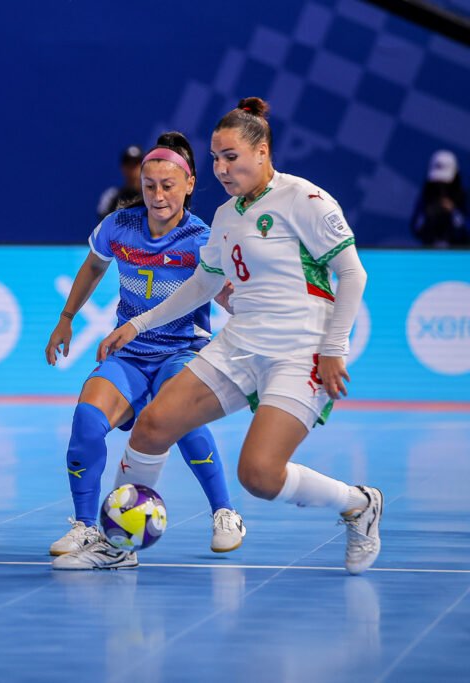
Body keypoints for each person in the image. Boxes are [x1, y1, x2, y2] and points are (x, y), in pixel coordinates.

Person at [98, 97, 382, 576]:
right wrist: (138, 323)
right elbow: (205, 284)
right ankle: (119, 542)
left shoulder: (305, 200)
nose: (222, 168)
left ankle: (358, 503)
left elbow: (353, 275)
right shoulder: (227, 215)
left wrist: (333, 350)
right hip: (240, 344)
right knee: (152, 426)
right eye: (215, 158)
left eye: (231, 156)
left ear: (263, 151)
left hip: (300, 351)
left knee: (259, 475)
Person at [46, 132, 245, 570]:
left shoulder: (204, 240)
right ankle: (86, 527)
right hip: (130, 355)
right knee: (85, 420)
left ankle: (224, 512)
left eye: (168, 186)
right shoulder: (119, 226)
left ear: (189, 184)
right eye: (150, 185)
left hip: (182, 351)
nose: (157, 195)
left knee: (182, 419)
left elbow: (228, 294)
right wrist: (66, 318)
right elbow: (94, 265)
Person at [411, 149, 467, 247]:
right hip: (430, 255)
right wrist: (428, 214)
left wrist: (453, 212)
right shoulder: (426, 198)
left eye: (445, 183)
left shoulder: (465, 198)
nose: (441, 187)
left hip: (460, 256)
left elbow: (467, 230)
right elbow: (416, 228)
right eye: (437, 183)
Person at [97, 144, 144, 219]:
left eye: (136, 164)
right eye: (129, 165)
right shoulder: (112, 198)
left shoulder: (154, 196)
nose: (132, 170)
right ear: (123, 168)